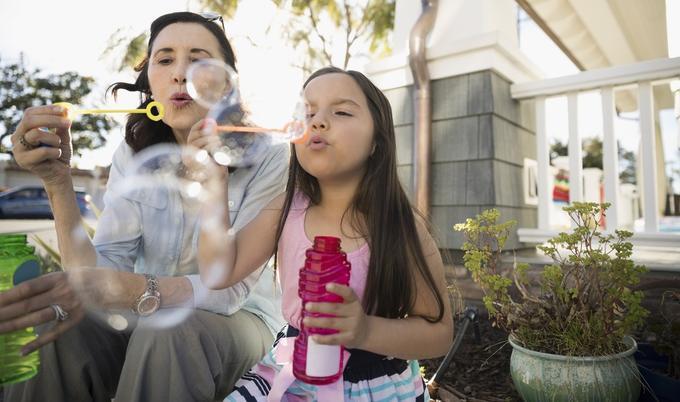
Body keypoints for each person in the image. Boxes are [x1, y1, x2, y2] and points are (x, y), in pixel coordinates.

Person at [3, 11, 288, 402]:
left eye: (199, 59)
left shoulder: (272, 158)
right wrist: (57, 181)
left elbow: (229, 292)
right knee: (58, 332)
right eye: (165, 59)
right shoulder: (133, 153)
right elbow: (100, 273)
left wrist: (141, 291)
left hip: (241, 321)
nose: (179, 73)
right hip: (144, 312)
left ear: (226, 85)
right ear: (150, 81)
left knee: (169, 335)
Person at [197, 67, 454, 401]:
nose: (317, 121)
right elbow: (219, 271)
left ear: (377, 140)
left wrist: (364, 330)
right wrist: (214, 180)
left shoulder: (400, 227)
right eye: (307, 113)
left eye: (342, 111)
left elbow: (440, 333)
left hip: (373, 385)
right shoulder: (285, 209)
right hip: (292, 374)